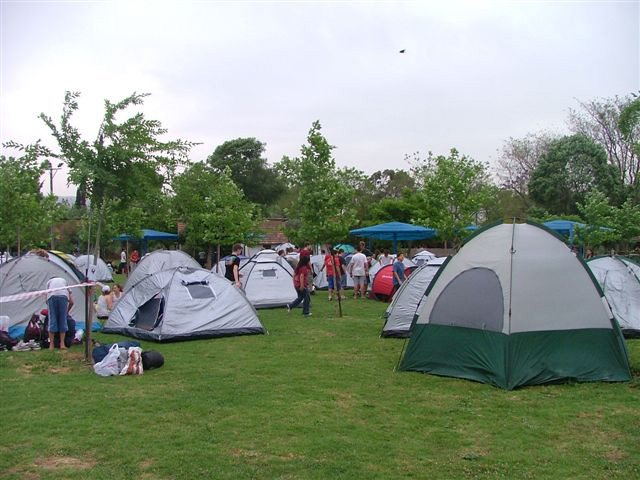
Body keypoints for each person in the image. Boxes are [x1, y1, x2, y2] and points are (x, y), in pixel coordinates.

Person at [46, 276, 71, 350]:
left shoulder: (49, 282)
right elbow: (72, 301)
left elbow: (46, 297)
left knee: (52, 320)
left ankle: (51, 345)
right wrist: (66, 312)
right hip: (63, 296)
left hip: (51, 296)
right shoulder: (64, 280)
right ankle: (62, 344)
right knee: (63, 320)